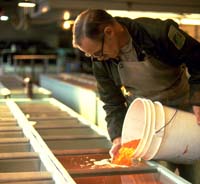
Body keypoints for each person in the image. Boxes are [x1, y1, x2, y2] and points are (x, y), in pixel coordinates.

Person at [72, 9, 200, 183]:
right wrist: (118, 137)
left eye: (99, 53)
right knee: (157, 177)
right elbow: (112, 102)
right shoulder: (101, 63)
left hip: (184, 113)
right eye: (93, 56)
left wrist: (198, 99)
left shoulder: (158, 33)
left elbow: (197, 59)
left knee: (194, 172)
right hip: (146, 123)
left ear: (109, 32)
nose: (99, 59)